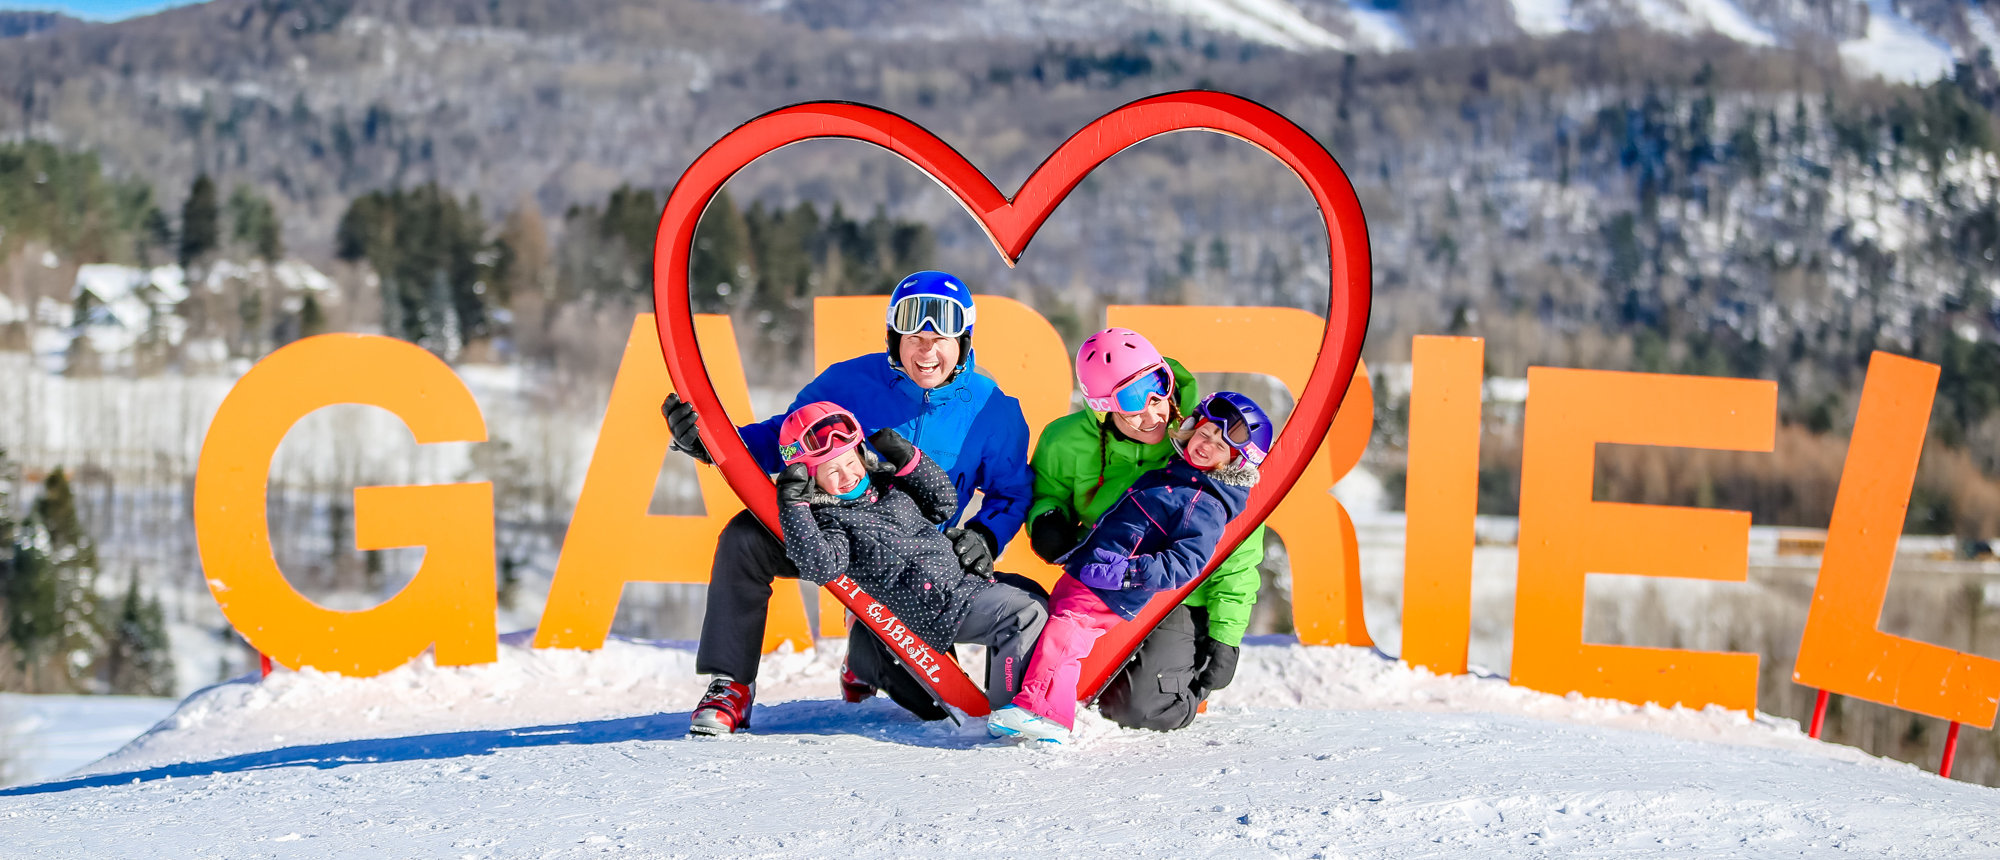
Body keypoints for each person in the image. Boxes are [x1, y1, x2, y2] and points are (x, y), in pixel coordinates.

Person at [661, 271, 1034, 734]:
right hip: (826, 538)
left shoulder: (993, 410)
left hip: (909, 567)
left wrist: (985, 534)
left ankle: (866, 656)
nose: (926, 352)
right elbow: (781, 438)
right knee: (744, 537)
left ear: (964, 341)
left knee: (937, 705)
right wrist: (709, 443)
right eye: (913, 338)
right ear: (893, 338)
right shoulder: (848, 382)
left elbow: (1012, 492)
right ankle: (731, 685)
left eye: (940, 339)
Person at [990, 392, 1273, 744]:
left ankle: (1045, 713)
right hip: (1093, 571)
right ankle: (1036, 706)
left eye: (1220, 446)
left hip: (1113, 582)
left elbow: (1186, 563)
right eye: (1205, 433)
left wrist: (1127, 573)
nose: (1206, 445)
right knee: (1057, 628)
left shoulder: (1205, 503)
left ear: (1235, 462)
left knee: (1065, 636)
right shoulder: (1180, 475)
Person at [767, 403, 1047, 731]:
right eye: (831, 472)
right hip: (930, 605)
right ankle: (1009, 712)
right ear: (811, 480)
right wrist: (794, 506)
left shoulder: (887, 485)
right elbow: (822, 566)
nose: (846, 476)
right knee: (1021, 615)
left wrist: (907, 458)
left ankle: (1020, 691)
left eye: (849, 461)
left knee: (1033, 593)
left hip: (956, 584)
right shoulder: (831, 519)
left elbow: (943, 504)